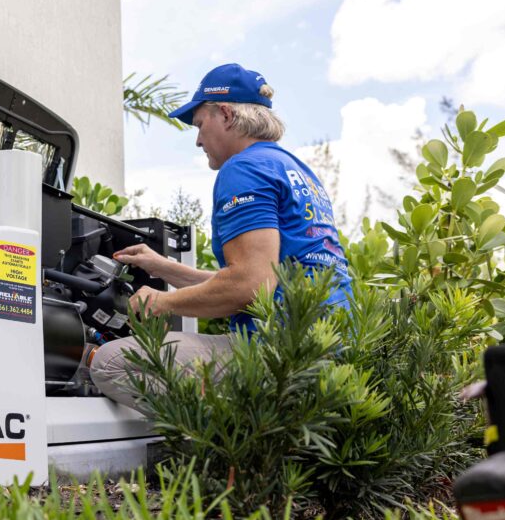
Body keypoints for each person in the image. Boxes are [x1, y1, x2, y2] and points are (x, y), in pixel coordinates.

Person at [88, 63, 352, 410]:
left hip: (278, 356)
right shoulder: (294, 170)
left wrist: (160, 302)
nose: (198, 139)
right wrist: (164, 268)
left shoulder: (243, 169)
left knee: (110, 361)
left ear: (225, 113)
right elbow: (266, 278)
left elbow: (249, 287)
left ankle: (224, 444)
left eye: (199, 124)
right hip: (331, 352)